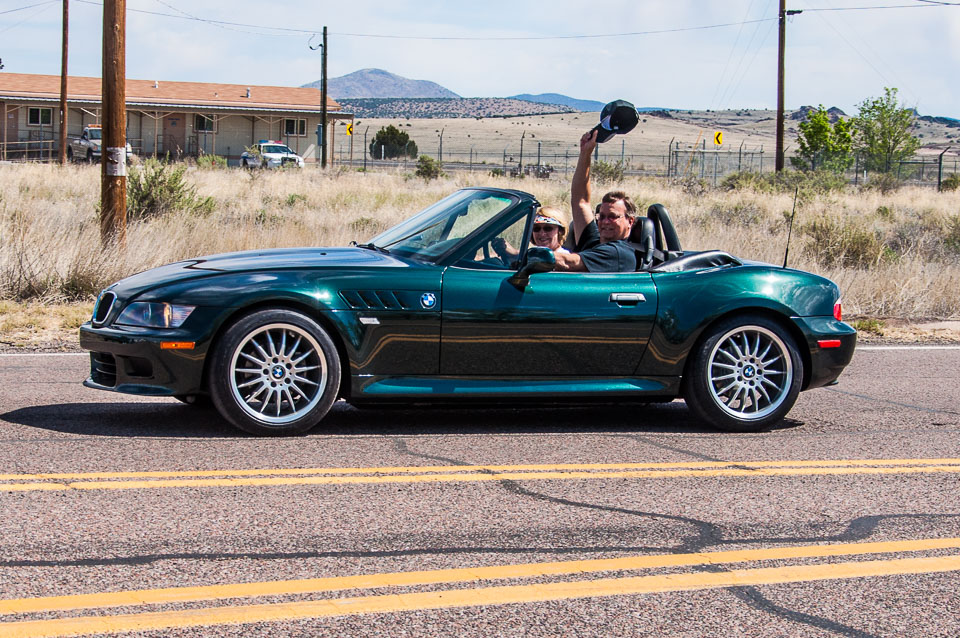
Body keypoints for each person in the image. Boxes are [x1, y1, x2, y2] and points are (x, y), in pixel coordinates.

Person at [553, 129, 637, 273]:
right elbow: (580, 201)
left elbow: (567, 262)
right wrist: (585, 153)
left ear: (630, 221)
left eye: (613, 217)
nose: (605, 222)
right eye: (601, 217)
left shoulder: (619, 253)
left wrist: (531, 256)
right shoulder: (595, 242)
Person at [492, 207, 570, 263]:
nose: (542, 233)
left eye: (548, 228)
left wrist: (514, 253)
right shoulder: (532, 255)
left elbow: (545, 259)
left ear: (560, 231)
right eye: (536, 229)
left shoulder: (564, 257)